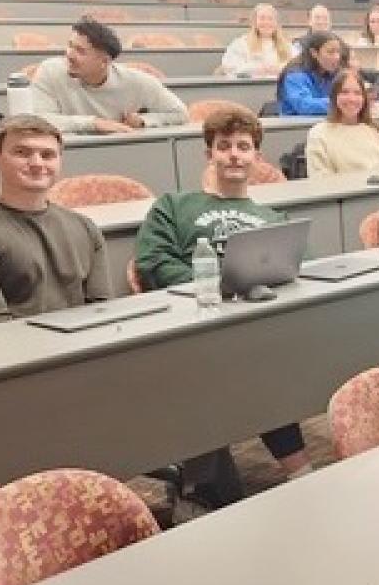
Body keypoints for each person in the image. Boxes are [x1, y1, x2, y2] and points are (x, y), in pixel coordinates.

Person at [134, 105, 316, 495]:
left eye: (243, 147)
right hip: (192, 323)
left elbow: (295, 266)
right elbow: (152, 263)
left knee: (258, 357)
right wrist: (218, 289)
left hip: (255, 324)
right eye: (224, 146)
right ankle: (294, 470)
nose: (234, 154)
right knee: (247, 363)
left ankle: (294, 470)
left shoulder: (270, 214)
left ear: (257, 157)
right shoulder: (174, 206)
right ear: (209, 154)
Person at [0, 115, 113, 329]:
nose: (37, 163)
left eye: (47, 155)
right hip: (10, 356)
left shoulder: (85, 227)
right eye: (22, 153)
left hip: (80, 350)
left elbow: (102, 312)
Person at [30, 17, 188, 135]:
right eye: (70, 45)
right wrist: (94, 123)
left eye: (80, 51)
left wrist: (143, 121)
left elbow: (180, 113)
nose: (69, 55)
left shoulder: (137, 81)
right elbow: (38, 120)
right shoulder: (49, 71)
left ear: (104, 62)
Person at [305, 69, 379, 176]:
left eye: (357, 93)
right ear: (334, 97)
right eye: (344, 92)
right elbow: (320, 180)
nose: (351, 99)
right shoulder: (318, 134)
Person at [276, 31, 348, 117]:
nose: (337, 57)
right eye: (330, 52)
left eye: (338, 52)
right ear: (314, 53)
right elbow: (304, 106)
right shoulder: (295, 74)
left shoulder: (336, 72)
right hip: (296, 126)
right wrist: (342, 102)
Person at [219, 3, 293, 78]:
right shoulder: (241, 44)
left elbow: (297, 67)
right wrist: (258, 69)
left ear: (276, 23)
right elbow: (229, 66)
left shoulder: (288, 45)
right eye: (262, 18)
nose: (266, 22)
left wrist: (280, 68)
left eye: (270, 19)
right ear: (254, 22)